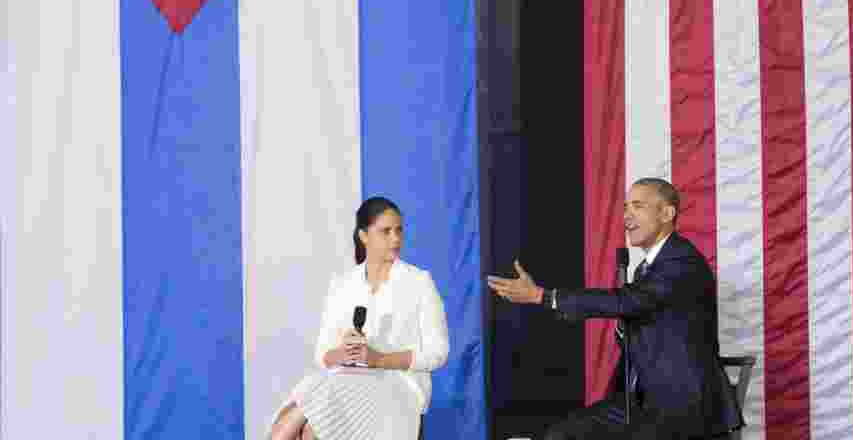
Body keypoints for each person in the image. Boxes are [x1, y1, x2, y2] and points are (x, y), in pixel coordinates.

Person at [487, 178, 742, 440]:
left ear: (667, 213)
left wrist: (543, 296)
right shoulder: (652, 266)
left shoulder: (681, 260)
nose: (627, 216)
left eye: (638, 206)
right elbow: (644, 319)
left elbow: (627, 301)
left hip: (682, 406)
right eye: (625, 207)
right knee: (562, 434)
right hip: (643, 402)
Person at [270, 197, 450, 440]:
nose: (395, 239)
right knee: (299, 414)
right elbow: (323, 354)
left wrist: (378, 359)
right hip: (346, 380)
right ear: (364, 236)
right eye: (385, 232)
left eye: (399, 230)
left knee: (314, 423)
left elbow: (437, 353)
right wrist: (343, 353)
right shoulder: (342, 284)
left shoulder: (419, 282)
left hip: (399, 388)